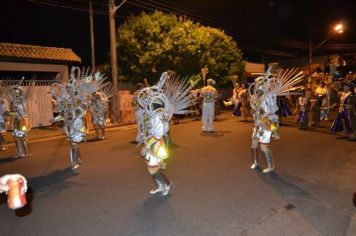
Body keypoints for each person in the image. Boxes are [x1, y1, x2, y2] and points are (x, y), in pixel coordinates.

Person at [138, 72, 198, 196]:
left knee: (153, 168)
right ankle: (160, 185)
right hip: (151, 142)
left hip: (156, 143)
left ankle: (167, 184)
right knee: (151, 168)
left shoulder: (159, 115)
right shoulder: (149, 114)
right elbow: (146, 129)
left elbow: (161, 132)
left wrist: (149, 145)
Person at [249, 66, 303, 174]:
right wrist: (255, 118)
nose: (257, 86)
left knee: (263, 146)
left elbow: (271, 112)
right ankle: (255, 161)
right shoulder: (254, 97)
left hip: (266, 123)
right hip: (258, 124)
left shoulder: (269, 96)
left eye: (259, 84)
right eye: (256, 84)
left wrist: (274, 129)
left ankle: (270, 166)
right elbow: (254, 111)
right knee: (254, 144)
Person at [8, 86, 31, 158]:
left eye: (16, 91)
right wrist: (10, 121)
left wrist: (9, 113)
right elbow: (13, 113)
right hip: (16, 122)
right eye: (14, 92)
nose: (14, 93)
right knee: (16, 138)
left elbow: (23, 112)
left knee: (22, 138)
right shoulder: (13, 102)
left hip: (21, 122)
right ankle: (19, 153)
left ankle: (26, 153)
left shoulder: (21, 101)